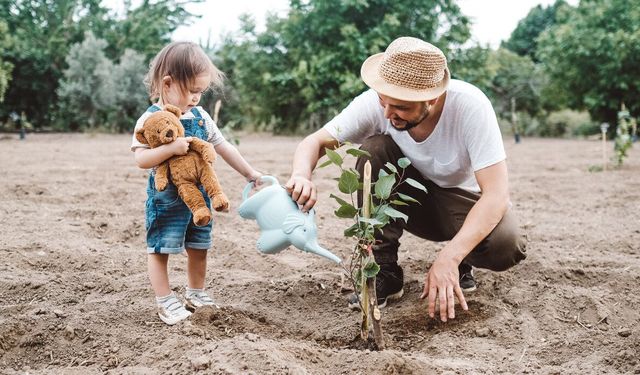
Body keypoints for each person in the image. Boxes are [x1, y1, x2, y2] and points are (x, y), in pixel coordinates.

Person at [286, 36, 526, 322]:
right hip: (408, 198)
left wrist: (449, 258)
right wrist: (301, 175)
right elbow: (314, 142)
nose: (388, 114)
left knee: (506, 245)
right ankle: (385, 271)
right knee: (374, 147)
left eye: (400, 107)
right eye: (383, 102)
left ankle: (462, 260)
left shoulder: (471, 107)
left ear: (432, 99)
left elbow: (496, 195)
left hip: (460, 206)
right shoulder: (379, 103)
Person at [131, 41, 263, 325]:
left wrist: (249, 173)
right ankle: (165, 300)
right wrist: (170, 149)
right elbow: (142, 159)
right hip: (166, 198)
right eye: (191, 91)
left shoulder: (201, 117)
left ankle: (196, 293)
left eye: (200, 92)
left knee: (199, 245)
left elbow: (223, 146)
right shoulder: (150, 119)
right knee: (160, 248)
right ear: (168, 83)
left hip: (199, 198)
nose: (196, 98)